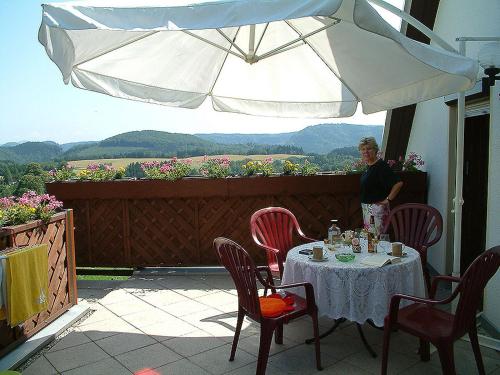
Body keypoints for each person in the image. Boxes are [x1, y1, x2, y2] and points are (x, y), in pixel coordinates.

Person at [358, 137, 403, 234]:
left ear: (375, 150)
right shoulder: (369, 167)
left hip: (377, 210)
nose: (366, 151)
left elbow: (398, 183)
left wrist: (388, 200)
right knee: (370, 239)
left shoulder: (381, 166)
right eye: (363, 149)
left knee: (377, 240)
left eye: (369, 148)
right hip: (368, 209)